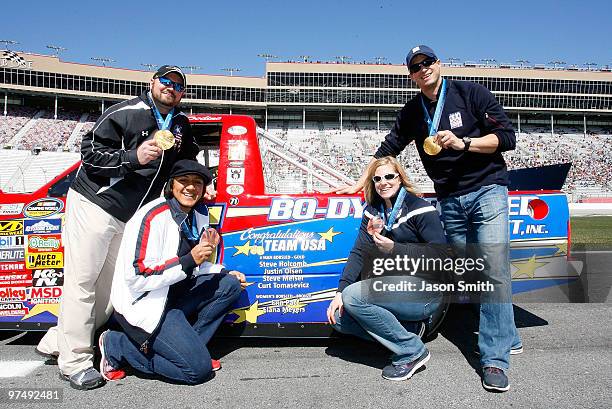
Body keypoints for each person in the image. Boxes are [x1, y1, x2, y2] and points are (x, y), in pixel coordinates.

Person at [334, 45, 521, 392]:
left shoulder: (471, 93)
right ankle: (507, 334)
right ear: (411, 74)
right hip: (449, 198)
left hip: (487, 189)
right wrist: (360, 181)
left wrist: (466, 143)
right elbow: (387, 149)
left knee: (493, 266)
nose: (423, 69)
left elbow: (507, 138)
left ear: (439, 64)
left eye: (427, 62)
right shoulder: (412, 112)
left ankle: (494, 358)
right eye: (415, 66)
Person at [36, 65, 211, 390]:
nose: (170, 88)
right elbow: (89, 154)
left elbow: (188, 160)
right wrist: (132, 156)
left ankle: (55, 342)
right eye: (165, 81)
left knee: (113, 292)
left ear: (182, 92)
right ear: (152, 83)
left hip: (132, 217)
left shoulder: (181, 124)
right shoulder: (126, 111)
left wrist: (204, 182)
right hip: (96, 205)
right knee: (83, 282)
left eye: (177, 85)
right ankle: (74, 362)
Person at [98, 159, 245, 385]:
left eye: (197, 183)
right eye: (183, 181)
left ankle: (191, 349)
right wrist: (189, 260)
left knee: (229, 285)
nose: (190, 187)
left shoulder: (199, 214)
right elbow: (138, 275)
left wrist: (223, 271)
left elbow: (196, 265)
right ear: (171, 185)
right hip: (147, 301)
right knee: (198, 371)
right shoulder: (152, 215)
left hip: (173, 295)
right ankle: (117, 345)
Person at [327, 156, 448, 381]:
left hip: (426, 290)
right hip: (395, 290)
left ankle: (412, 350)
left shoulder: (419, 208)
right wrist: (339, 292)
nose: (383, 182)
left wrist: (396, 249)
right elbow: (359, 252)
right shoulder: (374, 211)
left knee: (355, 297)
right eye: (377, 178)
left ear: (400, 179)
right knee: (340, 317)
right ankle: (410, 331)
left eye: (389, 176)